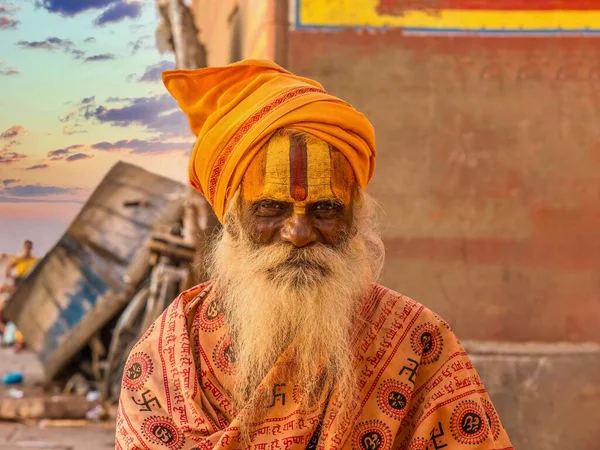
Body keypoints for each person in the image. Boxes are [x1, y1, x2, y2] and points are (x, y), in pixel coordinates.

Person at [115, 60, 513, 450]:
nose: (299, 234)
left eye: (325, 210)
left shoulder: (417, 341)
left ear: (354, 222)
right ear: (233, 220)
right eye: (271, 208)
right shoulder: (170, 349)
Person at [0, 240, 36, 350]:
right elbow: (7, 271)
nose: (26, 251)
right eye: (25, 249)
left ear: (30, 249)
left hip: (26, 291)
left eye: (28, 249)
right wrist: (10, 278)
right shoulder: (18, 259)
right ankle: (11, 336)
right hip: (17, 289)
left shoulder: (33, 261)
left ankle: (14, 338)